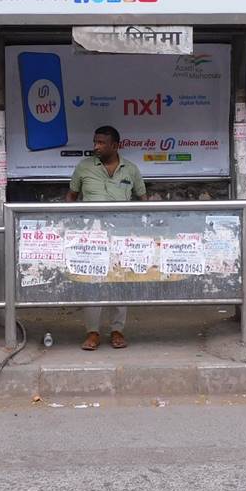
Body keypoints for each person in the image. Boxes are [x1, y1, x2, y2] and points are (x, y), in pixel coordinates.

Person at [66, 125, 147, 350]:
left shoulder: (130, 170)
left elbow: (143, 200)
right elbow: (71, 197)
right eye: (95, 142)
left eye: (101, 143)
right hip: (91, 237)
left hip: (122, 236)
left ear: (115, 145)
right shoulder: (83, 167)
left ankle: (117, 330)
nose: (96, 147)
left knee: (120, 283)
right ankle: (93, 333)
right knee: (93, 284)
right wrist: (72, 227)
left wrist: (140, 231)